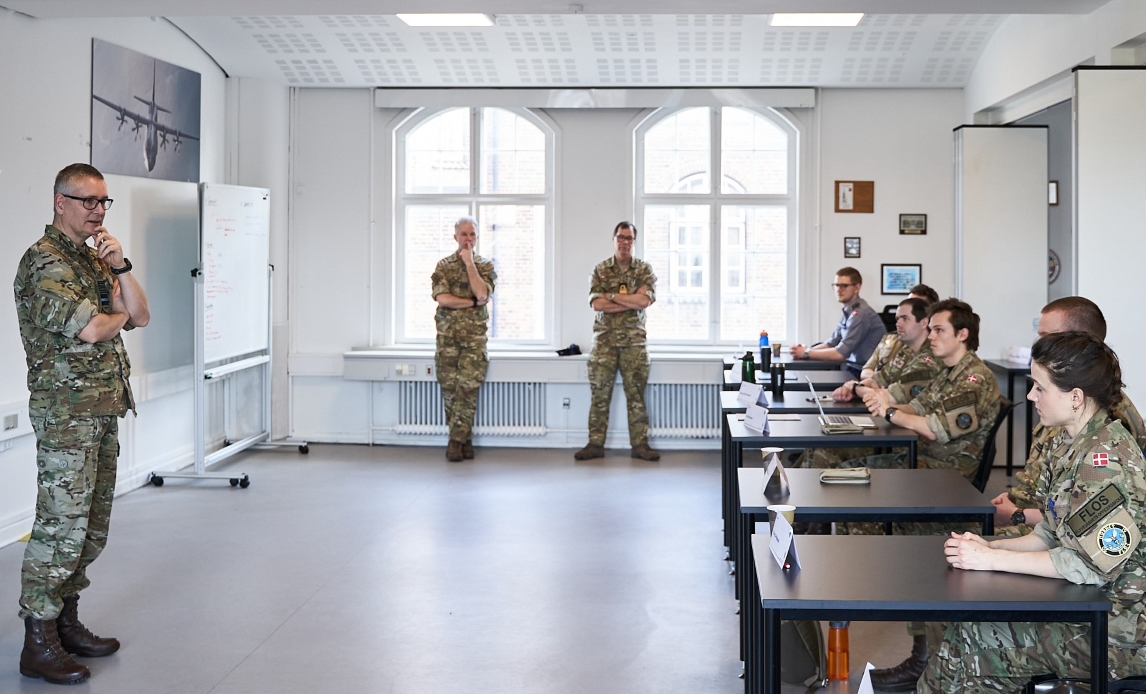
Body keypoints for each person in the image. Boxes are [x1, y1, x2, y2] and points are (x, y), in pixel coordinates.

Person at [919, 332, 1146, 693]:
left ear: (1075, 397)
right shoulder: (1069, 441)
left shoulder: (1103, 462)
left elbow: (1087, 565)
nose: (1030, 396)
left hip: (1119, 629)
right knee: (963, 623)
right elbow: (1050, 532)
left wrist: (990, 561)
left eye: (1039, 387)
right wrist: (990, 548)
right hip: (1088, 605)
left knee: (972, 639)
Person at [14, 163, 150, 684]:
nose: (97, 211)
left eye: (103, 202)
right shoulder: (44, 262)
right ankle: (38, 639)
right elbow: (97, 328)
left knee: (90, 528)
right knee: (59, 527)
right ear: (59, 202)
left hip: (102, 408)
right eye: (87, 201)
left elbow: (140, 314)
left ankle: (66, 623)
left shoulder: (94, 260)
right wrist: (114, 317)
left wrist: (119, 269)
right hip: (66, 416)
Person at [992, 297, 1146, 533]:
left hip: (1058, 536)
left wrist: (1017, 515)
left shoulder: (1109, 417)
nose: (1041, 344)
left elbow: (1093, 526)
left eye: (1048, 336)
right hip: (1042, 524)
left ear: (1076, 342)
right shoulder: (1062, 403)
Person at [575, 221, 659, 462]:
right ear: (613, 239)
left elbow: (644, 302)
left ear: (634, 241)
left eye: (629, 239)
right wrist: (628, 298)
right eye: (621, 238)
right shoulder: (600, 270)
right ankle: (595, 444)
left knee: (636, 396)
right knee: (600, 395)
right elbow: (596, 304)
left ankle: (640, 445)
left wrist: (611, 296)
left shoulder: (644, 270)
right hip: (605, 344)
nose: (625, 242)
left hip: (634, 343)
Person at [432, 216, 496, 462]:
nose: (468, 239)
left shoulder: (485, 266)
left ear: (477, 238)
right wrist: (470, 303)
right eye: (464, 234)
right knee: (451, 392)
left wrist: (470, 264)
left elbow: (483, 292)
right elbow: (443, 299)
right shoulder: (444, 266)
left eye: (472, 235)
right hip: (447, 340)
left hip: (474, 341)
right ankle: (465, 440)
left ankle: (455, 442)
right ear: (455, 237)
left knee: (468, 389)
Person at [831, 297, 940, 404]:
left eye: (905, 318)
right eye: (897, 319)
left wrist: (855, 389)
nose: (898, 324)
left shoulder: (930, 356)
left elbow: (892, 398)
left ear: (924, 323)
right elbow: (879, 379)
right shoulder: (906, 350)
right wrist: (852, 387)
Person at [790, 267, 884, 377]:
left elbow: (841, 353)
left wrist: (806, 354)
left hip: (864, 373)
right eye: (836, 285)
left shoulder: (861, 313)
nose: (838, 290)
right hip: (852, 368)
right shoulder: (849, 311)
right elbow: (831, 343)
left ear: (857, 288)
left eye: (844, 286)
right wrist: (805, 351)